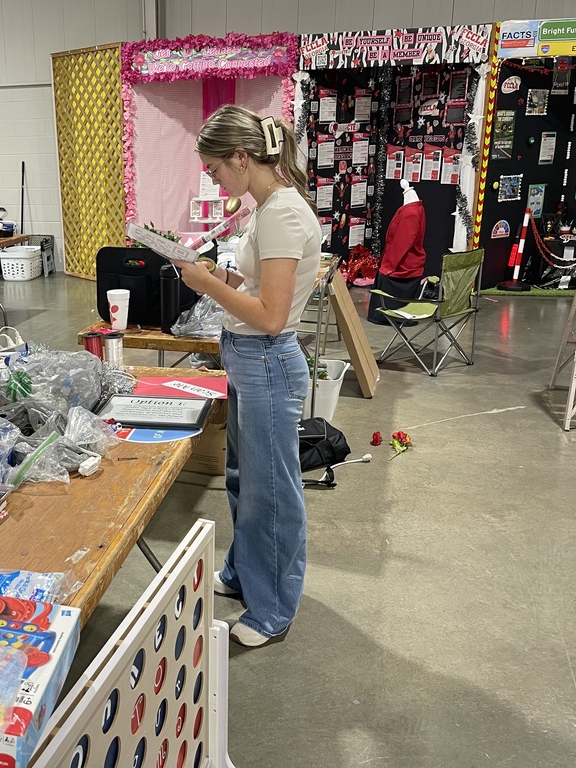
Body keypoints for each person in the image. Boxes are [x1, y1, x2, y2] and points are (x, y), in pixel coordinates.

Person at [171, 104, 321, 648]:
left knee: (271, 491)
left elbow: (271, 315)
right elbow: (257, 286)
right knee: (243, 478)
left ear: (241, 156)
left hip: (266, 359)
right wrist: (220, 274)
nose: (213, 178)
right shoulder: (267, 208)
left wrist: (206, 285)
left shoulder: (281, 212)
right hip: (247, 357)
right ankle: (244, 573)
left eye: (214, 168)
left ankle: (273, 607)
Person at [367, 179, 426, 325]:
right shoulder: (418, 209)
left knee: (384, 276)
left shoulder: (410, 213)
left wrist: (388, 267)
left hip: (403, 265)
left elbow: (402, 243)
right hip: (408, 262)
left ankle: (383, 314)